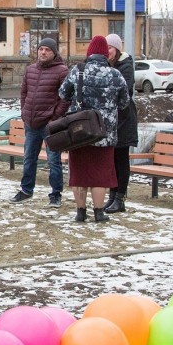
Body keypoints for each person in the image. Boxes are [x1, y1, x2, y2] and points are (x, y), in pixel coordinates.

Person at [58, 35, 129, 223]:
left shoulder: (78, 71)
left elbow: (63, 93)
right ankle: (98, 212)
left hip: (80, 132)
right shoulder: (115, 75)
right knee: (100, 175)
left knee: (79, 174)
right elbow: (124, 103)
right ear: (106, 54)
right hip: (104, 135)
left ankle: (80, 212)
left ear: (89, 52)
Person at [11, 38, 70, 207]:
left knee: (53, 161)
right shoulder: (30, 70)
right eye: (41, 49)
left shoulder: (62, 71)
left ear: (54, 52)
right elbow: (24, 93)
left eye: (47, 50)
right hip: (31, 122)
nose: (43, 52)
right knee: (29, 158)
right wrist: (24, 112)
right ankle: (26, 190)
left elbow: (65, 99)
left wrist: (54, 118)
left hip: (50, 125)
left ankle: (55, 194)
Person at [102, 34, 138, 214]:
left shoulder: (125, 65)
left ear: (117, 49)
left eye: (110, 48)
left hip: (124, 119)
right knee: (111, 160)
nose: (107, 51)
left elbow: (124, 91)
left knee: (121, 160)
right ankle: (112, 195)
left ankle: (120, 197)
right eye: (105, 47)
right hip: (111, 119)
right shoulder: (107, 66)